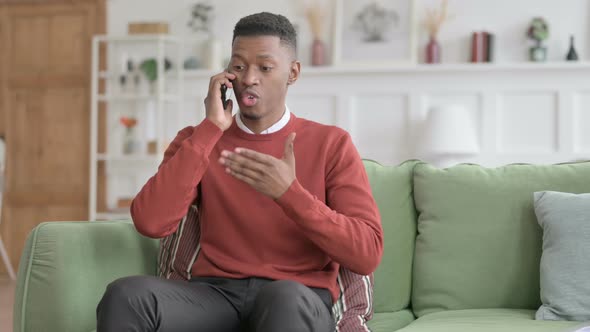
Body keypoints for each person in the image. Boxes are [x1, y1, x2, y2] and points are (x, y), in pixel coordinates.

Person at [97, 12, 383, 332]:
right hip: (216, 295)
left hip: (297, 297)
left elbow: (366, 253)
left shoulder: (332, 143)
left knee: (283, 299)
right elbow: (150, 221)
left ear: (293, 72)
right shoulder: (198, 140)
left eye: (265, 67)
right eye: (238, 66)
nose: (249, 78)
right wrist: (210, 130)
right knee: (126, 296)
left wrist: (289, 194)